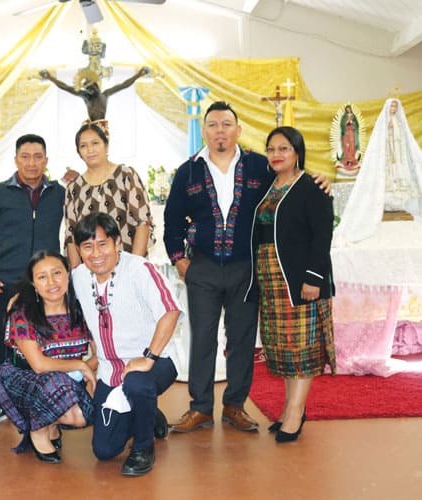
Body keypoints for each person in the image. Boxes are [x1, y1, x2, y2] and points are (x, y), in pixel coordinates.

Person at [163, 101, 330, 435]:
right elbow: (171, 220)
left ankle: (235, 406)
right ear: (204, 131)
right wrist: (179, 260)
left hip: (247, 268)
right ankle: (200, 408)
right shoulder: (189, 171)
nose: (220, 131)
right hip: (204, 267)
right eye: (213, 125)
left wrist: (318, 179)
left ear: (238, 130)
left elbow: (291, 181)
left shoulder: (259, 166)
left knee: (241, 339)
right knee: (202, 339)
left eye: (227, 124)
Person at [72, 212, 181, 477]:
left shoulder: (139, 269)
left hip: (157, 362)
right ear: (79, 250)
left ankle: (143, 449)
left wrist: (149, 357)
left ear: (117, 242)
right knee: (104, 450)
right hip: (109, 371)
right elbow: (46, 293)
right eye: (87, 246)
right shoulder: (77, 278)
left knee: (137, 383)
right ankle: (149, 412)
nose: (96, 253)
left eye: (102, 244)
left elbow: (171, 311)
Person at [248, 126, 336, 442]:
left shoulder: (312, 186)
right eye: (271, 149)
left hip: (299, 281)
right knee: (283, 349)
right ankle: (290, 407)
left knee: (301, 349)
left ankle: (296, 414)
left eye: (283, 148)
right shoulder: (268, 187)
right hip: (271, 282)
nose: (276, 155)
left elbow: (322, 236)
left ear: (297, 151)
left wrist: (313, 278)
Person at [0, 134, 66, 427]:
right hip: (7, 282)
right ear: (16, 160)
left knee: (48, 345)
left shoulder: (59, 192)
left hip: (48, 284)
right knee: (4, 346)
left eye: (38, 156)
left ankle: (47, 402)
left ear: (46, 161)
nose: (31, 163)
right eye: (25, 156)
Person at [0, 250, 96, 463]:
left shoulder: (82, 309)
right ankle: (39, 429)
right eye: (42, 277)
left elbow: (101, 355)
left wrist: (84, 371)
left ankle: (51, 421)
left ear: (68, 275)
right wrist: (80, 365)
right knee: (63, 394)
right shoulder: (22, 314)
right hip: (24, 376)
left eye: (57, 273)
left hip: (67, 378)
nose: (52, 282)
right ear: (33, 283)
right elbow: (39, 365)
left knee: (85, 414)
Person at [64, 122, 153, 268]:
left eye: (95, 143)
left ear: (106, 146)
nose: (90, 150)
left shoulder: (126, 175)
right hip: (91, 270)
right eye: (83, 146)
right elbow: (71, 235)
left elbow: (143, 223)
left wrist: (134, 267)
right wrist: (77, 274)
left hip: (127, 265)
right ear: (79, 152)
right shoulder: (74, 188)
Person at [336, 98, 422, 243]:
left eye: (395, 106)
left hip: (398, 154)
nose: (393, 109)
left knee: (399, 173)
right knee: (389, 175)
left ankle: (400, 193)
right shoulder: (383, 123)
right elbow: (379, 141)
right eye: (391, 106)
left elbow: (404, 138)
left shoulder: (400, 123)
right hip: (388, 155)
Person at [39, 67, 149, 125]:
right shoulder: (86, 96)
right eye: (88, 87)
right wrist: (50, 78)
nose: (90, 89)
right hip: (91, 127)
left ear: (97, 84)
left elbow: (124, 85)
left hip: (102, 126)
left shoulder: (106, 94)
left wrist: (139, 74)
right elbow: (66, 87)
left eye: (92, 86)